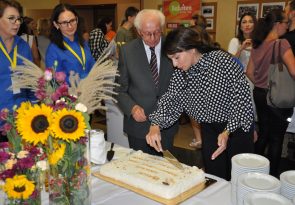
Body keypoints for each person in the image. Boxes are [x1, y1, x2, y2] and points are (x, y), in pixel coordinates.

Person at [146, 27, 255, 180]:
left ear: (191, 49)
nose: (174, 64)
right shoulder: (181, 73)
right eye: (171, 59)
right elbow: (171, 99)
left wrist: (227, 131)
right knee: (215, 174)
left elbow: (241, 99)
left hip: (236, 127)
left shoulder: (222, 61)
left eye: (177, 57)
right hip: (209, 128)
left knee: (239, 176)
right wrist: (155, 124)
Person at [115, 9, 178, 155]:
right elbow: (119, 89)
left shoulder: (173, 47)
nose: (153, 37)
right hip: (139, 126)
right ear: (138, 31)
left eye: (157, 32)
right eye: (148, 33)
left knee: (165, 169)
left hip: (166, 125)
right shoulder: (127, 51)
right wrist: (132, 107)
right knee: (140, 171)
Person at [246, 9, 295, 177]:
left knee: (264, 134)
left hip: (259, 94)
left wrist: (262, 84)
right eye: (286, 23)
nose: (287, 27)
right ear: (277, 25)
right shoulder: (281, 44)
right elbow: (294, 71)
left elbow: (250, 72)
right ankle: (272, 177)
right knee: (276, 139)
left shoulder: (257, 44)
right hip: (275, 98)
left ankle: (254, 170)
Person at [0, 0, 33, 141]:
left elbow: (31, 81)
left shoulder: (24, 46)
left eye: (18, 18)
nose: (17, 22)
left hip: (21, 118)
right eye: (11, 18)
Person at [45, 3, 95, 83]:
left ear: (77, 20)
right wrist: (83, 80)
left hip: (90, 91)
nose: (70, 26)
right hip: (69, 94)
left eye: (72, 20)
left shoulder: (83, 43)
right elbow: (53, 82)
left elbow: (92, 65)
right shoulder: (53, 50)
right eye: (64, 23)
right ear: (56, 24)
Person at [228, 12, 258, 139]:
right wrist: (241, 48)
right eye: (244, 22)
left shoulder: (259, 41)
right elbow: (228, 63)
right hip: (240, 80)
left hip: (257, 80)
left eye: (250, 21)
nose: (247, 25)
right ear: (240, 26)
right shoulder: (235, 41)